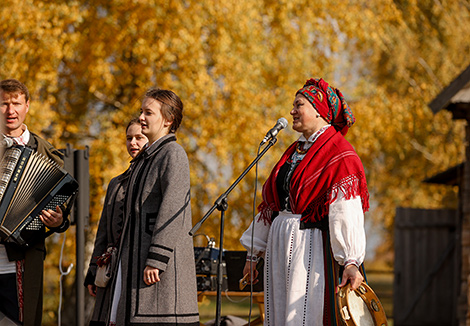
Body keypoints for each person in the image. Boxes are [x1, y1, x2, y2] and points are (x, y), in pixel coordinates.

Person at [240, 78, 369, 325]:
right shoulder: (293, 151)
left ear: (319, 110)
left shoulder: (339, 153)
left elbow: (347, 211)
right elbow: (273, 206)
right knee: (280, 314)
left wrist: (351, 261)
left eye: (299, 105)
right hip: (280, 244)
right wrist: (253, 254)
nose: (292, 111)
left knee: (303, 314)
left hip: (310, 247)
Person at [106, 88, 199, 325]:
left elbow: (173, 209)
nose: (141, 118)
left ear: (168, 120)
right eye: (141, 111)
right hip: (135, 261)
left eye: (148, 112)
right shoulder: (145, 159)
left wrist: (157, 259)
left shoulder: (172, 154)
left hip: (158, 267)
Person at [0, 78, 69, 325]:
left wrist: (59, 219)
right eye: (4, 104)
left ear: (27, 105)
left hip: (23, 259)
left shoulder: (47, 153)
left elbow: (63, 209)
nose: (11, 110)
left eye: (16, 103)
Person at [84, 118, 148, 325]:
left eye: (139, 137)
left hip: (140, 270)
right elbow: (103, 232)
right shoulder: (116, 183)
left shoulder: (152, 180)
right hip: (113, 267)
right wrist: (93, 270)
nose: (133, 143)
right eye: (129, 138)